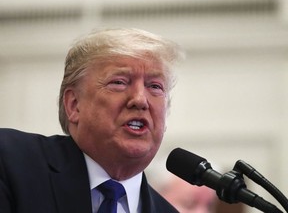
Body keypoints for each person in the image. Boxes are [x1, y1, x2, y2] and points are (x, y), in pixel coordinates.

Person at [0, 28, 183, 213]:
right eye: (119, 82)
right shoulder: (10, 162)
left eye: (154, 86)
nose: (140, 100)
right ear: (74, 104)